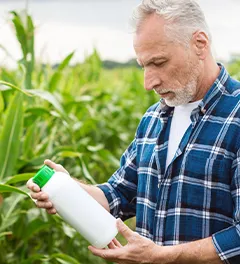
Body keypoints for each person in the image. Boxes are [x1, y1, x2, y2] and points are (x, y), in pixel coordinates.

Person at [27, 0, 240, 263]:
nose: (148, 82)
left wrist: (161, 257)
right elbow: (117, 194)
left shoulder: (236, 115)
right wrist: (67, 189)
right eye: (143, 66)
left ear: (199, 44)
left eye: (159, 62)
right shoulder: (153, 118)